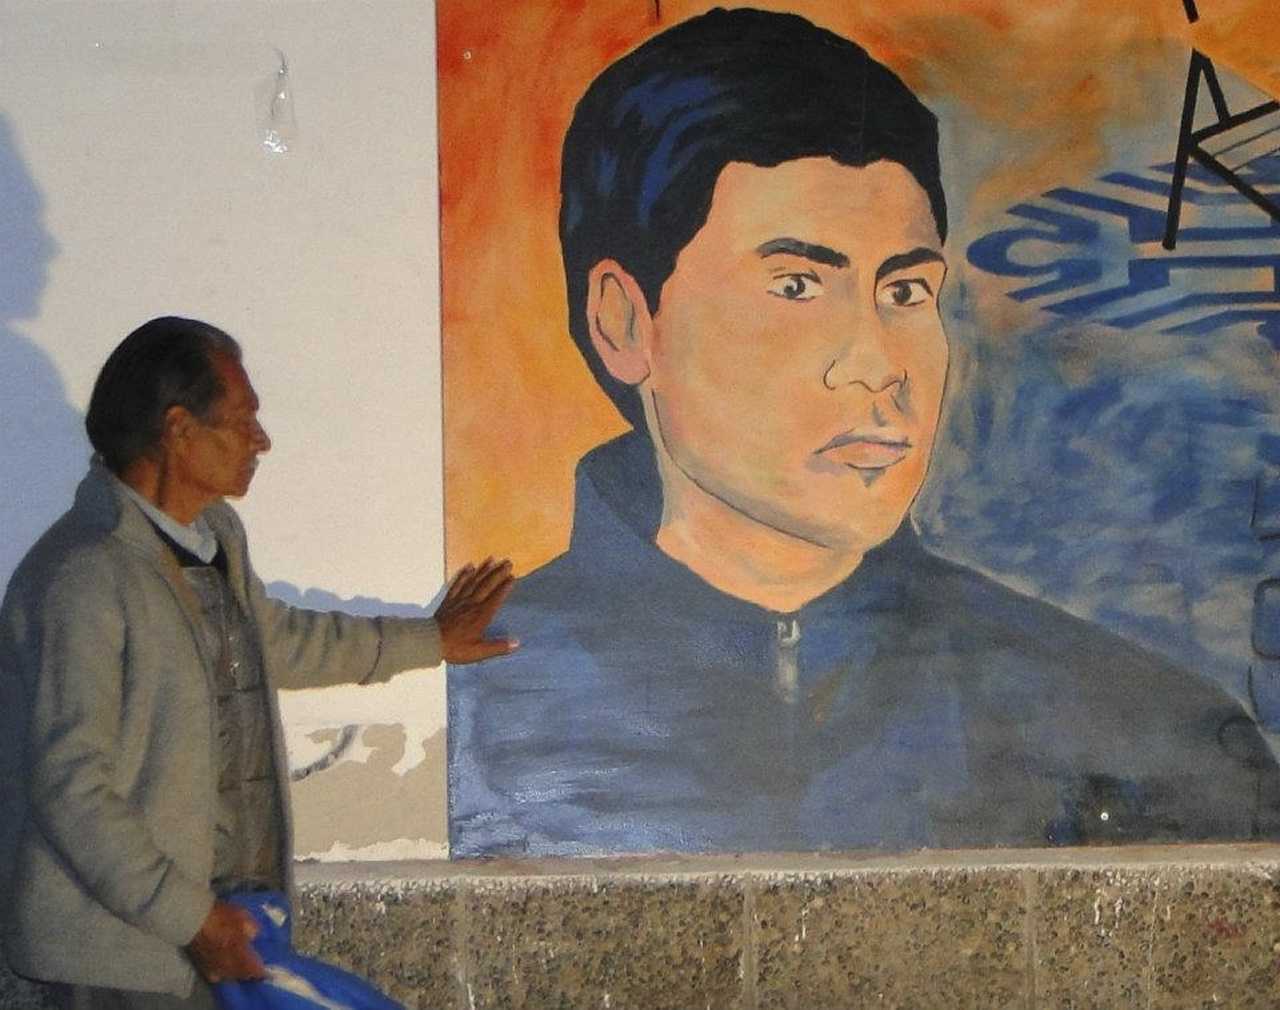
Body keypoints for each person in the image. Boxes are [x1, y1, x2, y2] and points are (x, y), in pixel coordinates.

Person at [448, 7, 1280, 857]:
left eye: (906, 292)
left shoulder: (1153, 740)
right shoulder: (464, 710)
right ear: (626, 323)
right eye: (797, 286)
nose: (878, 364)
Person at [0, 316, 516, 1007]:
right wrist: (190, 917)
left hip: (218, 930)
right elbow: (70, 788)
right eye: (243, 420)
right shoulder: (83, 578)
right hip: (121, 957)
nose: (261, 440)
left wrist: (432, 641)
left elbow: (276, 642)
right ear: (179, 429)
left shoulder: (213, 537)